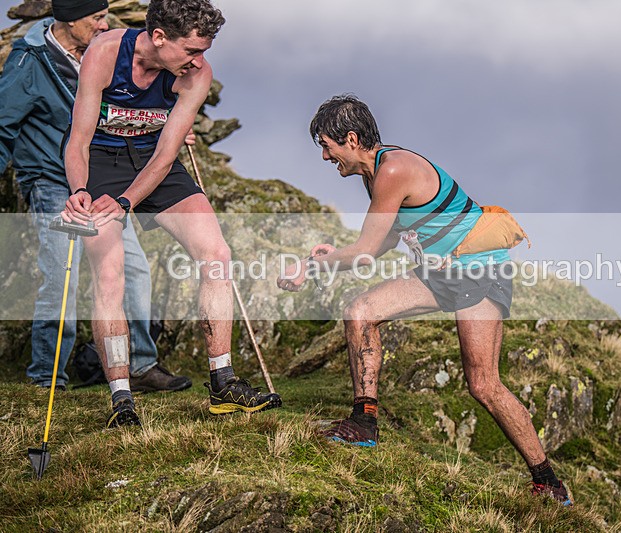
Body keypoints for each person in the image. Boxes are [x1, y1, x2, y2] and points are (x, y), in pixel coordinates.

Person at [277, 95, 572, 505]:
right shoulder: (374, 174)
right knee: (360, 312)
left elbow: (364, 251)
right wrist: (327, 259)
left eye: (327, 145)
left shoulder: (393, 169)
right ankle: (364, 423)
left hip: (479, 270)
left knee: (483, 384)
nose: (326, 156)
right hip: (439, 272)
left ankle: (548, 482)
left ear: (350, 138)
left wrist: (311, 266)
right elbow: (384, 243)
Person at [61, 0, 279, 428]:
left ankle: (222, 381)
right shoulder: (105, 53)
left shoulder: (196, 75)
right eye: (192, 50)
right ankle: (122, 399)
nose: (199, 61)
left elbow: (164, 156)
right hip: (100, 161)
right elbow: (78, 140)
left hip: (151, 159)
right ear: (159, 37)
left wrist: (126, 203)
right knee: (110, 271)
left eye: (204, 50)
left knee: (216, 253)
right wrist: (81, 194)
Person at [0, 0, 191, 394]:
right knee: (62, 276)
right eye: (96, 18)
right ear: (68, 21)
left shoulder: (106, 54)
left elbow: (125, 112)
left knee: (134, 271)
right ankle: (47, 376)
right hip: (53, 180)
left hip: (102, 179)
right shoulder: (30, 62)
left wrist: (166, 124)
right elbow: (3, 125)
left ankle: (138, 365)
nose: (105, 24)